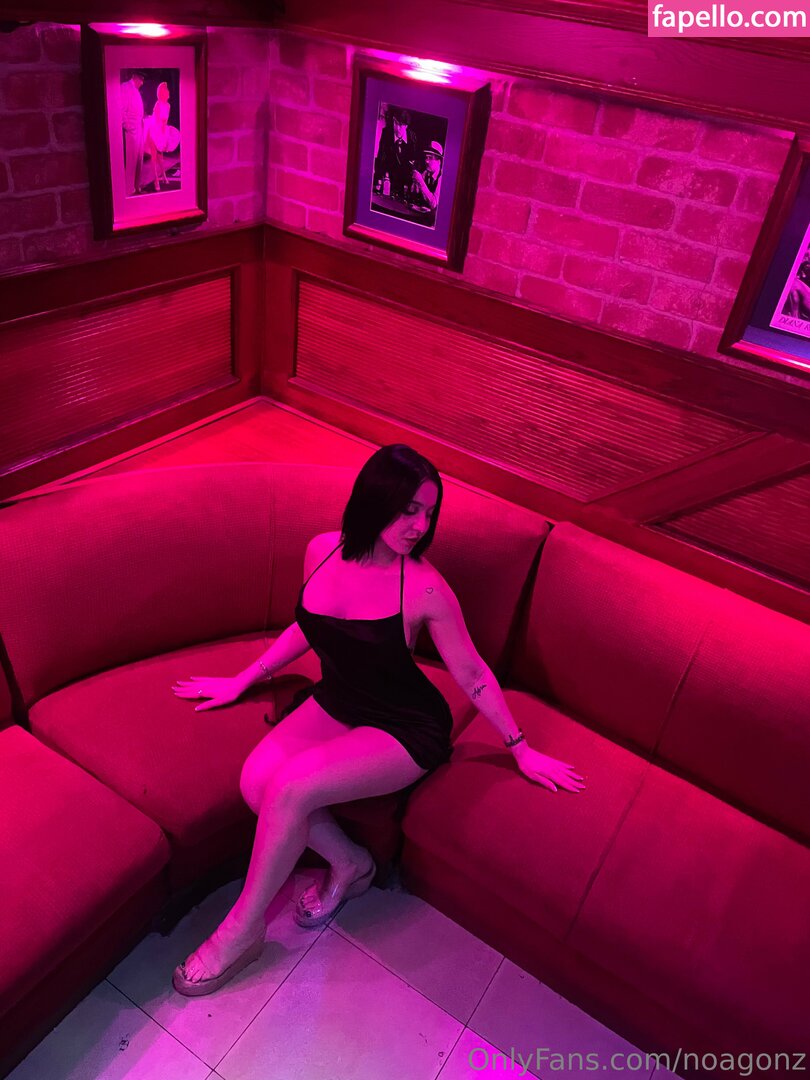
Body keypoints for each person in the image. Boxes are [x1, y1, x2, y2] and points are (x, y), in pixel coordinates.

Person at [170, 444, 586, 997]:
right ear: (375, 499)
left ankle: (242, 932)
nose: (421, 526)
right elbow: (310, 625)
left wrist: (521, 747)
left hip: (403, 725)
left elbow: (473, 673)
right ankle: (351, 864)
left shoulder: (425, 587)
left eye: (429, 513)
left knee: (291, 788)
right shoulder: (321, 550)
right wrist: (243, 679)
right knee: (255, 783)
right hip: (339, 699)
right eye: (409, 510)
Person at [373, 107, 419, 201]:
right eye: (396, 123)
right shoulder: (386, 133)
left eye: (401, 125)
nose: (397, 128)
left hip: (405, 181)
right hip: (388, 179)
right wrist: (378, 179)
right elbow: (381, 157)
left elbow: (414, 162)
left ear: (406, 126)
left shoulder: (412, 137)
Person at [143, 80, 180, 192]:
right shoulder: (158, 104)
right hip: (154, 130)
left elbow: (166, 120)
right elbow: (156, 119)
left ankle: (163, 175)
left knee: (161, 157)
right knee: (154, 157)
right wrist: (160, 128)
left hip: (162, 130)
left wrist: (164, 131)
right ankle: (156, 180)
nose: (167, 92)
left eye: (167, 90)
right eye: (165, 90)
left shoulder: (168, 105)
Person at [120, 70, 146, 197]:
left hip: (139, 126)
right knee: (131, 158)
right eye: (141, 79)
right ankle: (129, 189)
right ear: (135, 77)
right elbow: (122, 109)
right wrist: (127, 126)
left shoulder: (136, 90)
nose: (142, 83)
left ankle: (137, 186)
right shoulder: (125, 87)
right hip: (132, 127)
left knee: (139, 158)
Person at [410, 140, 444, 213]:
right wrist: (415, 183)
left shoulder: (442, 178)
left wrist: (420, 181)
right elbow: (415, 195)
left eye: (430, 158)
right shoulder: (425, 174)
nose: (426, 161)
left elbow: (434, 204)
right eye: (426, 157)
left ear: (439, 161)